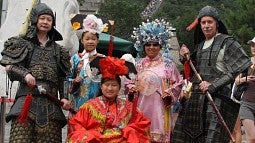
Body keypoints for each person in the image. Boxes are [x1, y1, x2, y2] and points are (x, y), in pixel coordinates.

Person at [171, 5, 252, 143]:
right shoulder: (201, 45)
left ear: (217, 24)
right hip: (197, 100)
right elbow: (193, 68)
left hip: (218, 100)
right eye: (203, 22)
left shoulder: (227, 42)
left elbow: (240, 67)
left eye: (210, 22)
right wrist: (185, 56)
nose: (206, 26)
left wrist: (214, 85)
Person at [0, 3, 71, 142]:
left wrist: (64, 97)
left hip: (51, 103)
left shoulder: (59, 51)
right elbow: (9, 66)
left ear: (53, 23)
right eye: (42, 18)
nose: (45, 22)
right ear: (35, 20)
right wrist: (25, 74)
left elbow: (63, 77)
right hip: (26, 100)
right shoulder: (23, 43)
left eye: (49, 20)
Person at [67, 56, 151, 143]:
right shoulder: (89, 106)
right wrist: (91, 136)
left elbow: (142, 125)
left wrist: (129, 130)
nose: (110, 88)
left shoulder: (129, 107)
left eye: (114, 85)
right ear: (101, 86)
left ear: (119, 87)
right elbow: (76, 125)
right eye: (107, 85)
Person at [130, 19, 183, 142]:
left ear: (160, 46)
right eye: (148, 44)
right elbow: (129, 83)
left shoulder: (168, 65)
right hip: (140, 108)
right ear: (143, 46)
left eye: (155, 44)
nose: (151, 47)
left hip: (160, 109)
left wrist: (170, 94)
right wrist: (132, 89)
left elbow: (179, 83)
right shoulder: (138, 65)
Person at [68, 14, 107, 111]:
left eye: (93, 39)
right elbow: (67, 78)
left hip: (97, 101)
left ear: (98, 41)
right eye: (87, 39)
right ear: (82, 40)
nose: (90, 41)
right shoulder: (76, 58)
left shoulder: (103, 59)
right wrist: (74, 81)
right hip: (77, 101)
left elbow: (107, 80)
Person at [235, 36, 255, 143]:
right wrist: (245, 79)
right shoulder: (246, 62)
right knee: (252, 137)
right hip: (246, 103)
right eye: (252, 45)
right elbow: (237, 80)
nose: (253, 48)